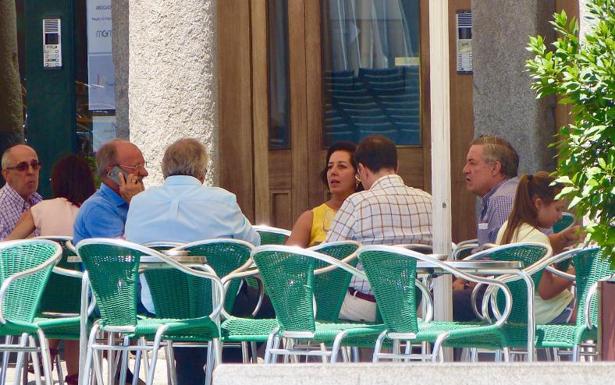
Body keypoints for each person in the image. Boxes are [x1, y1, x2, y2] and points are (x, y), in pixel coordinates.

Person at [125, 138, 265, 385]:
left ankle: (193, 372)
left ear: (165, 169)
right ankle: (230, 372)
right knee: (255, 304)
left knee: (184, 306)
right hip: (218, 306)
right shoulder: (222, 200)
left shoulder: (139, 202)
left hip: (159, 306)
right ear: (202, 172)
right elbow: (252, 246)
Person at [5, 154, 95, 385]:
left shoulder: (41, 209)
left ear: (57, 181)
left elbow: (9, 245)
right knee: (77, 308)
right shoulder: (93, 212)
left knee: (58, 292)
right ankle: (74, 376)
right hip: (85, 299)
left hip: (46, 300)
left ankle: (45, 355)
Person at [325, 135, 432, 322]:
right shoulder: (429, 201)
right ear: (396, 166)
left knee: (303, 303)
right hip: (421, 307)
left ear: (362, 170)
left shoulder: (358, 202)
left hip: (370, 307)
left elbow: (329, 257)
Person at [496, 171, 577, 324]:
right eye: (558, 209)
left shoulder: (507, 228)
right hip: (548, 313)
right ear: (538, 203)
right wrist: (579, 268)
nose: (560, 216)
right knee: (604, 311)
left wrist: (563, 239)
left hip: (513, 313)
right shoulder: (537, 239)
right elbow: (547, 290)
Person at [73, 139, 148, 244]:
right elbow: (124, 253)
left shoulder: (128, 200)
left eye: (143, 165)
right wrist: (137, 204)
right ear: (112, 172)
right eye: (136, 166)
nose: (145, 173)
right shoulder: (98, 207)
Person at [287, 141, 360, 247]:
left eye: (342, 166)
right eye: (330, 167)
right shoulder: (310, 218)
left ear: (358, 173)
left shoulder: (366, 213)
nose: (333, 172)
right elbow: (288, 260)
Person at [6, 154, 95, 239]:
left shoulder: (41, 208)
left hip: (55, 255)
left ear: (57, 182)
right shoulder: (96, 210)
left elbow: (9, 243)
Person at [0, 144, 42, 240]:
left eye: (34, 165)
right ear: (6, 174)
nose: (31, 171)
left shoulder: (38, 200)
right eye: (22, 167)